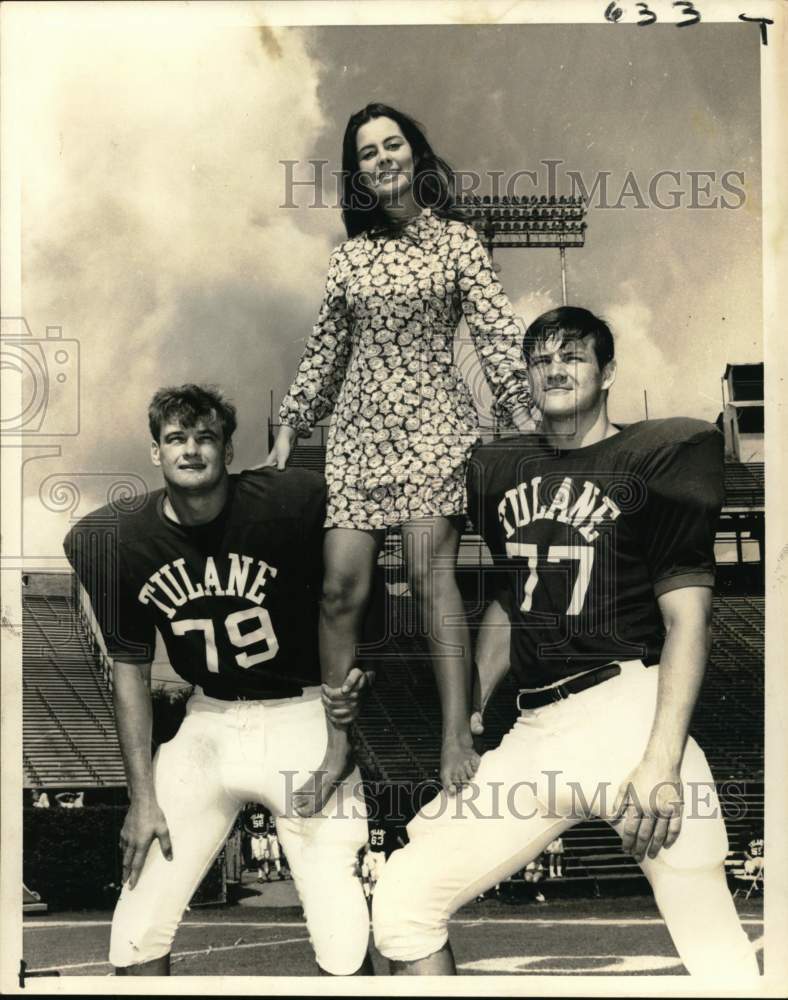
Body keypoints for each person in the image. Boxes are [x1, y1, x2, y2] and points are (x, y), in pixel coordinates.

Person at [371, 306, 759, 980]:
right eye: (542, 358)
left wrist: (661, 762)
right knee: (402, 904)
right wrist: (470, 708)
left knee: (713, 944)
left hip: (630, 713)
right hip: (536, 730)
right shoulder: (502, 469)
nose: (556, 368)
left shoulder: (659, 455)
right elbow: (507, 599)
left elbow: (687, 621)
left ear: (608, 371)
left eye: (574, 355)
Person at [266, 102, 534, 813]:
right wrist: (294, 422)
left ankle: (455, 736)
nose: (383, 158)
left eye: (393, 145)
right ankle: (337, 746)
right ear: (357, 172)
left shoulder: (458, 243)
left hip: (433, 424)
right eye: (367, 152)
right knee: (338, 592)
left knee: (426, 574)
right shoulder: (350, 256)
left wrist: (522, 412)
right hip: (357, 432)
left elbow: (499, 335)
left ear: (416, 154)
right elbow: (327, 348)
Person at [63, 384, 371, 976]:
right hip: (207, 725)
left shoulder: (292, 501)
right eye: (176, 438)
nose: (192, 450)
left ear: (230, 450)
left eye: (206, 438)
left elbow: (348, 598)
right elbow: (128, 670)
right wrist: (142, 798)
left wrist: (340, 742)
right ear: (155, 452)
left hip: (301, 715)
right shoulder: (114, 539)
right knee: (134, 932)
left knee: (342, 934)